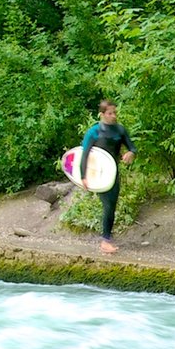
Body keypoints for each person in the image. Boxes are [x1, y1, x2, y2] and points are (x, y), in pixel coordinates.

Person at [75, 101, 132, 253]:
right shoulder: (94, 132)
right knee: (107, 204)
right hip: (97, 174)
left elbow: (132, 147)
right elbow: (84, 154)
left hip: (113, 172)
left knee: (112, 205)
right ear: (102, 114)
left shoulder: (120, 130)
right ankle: (105, 241)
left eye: (114, 113)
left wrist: (130, 153)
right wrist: (83, 176)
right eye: (110, 113)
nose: (113, 116)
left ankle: (106, 238)